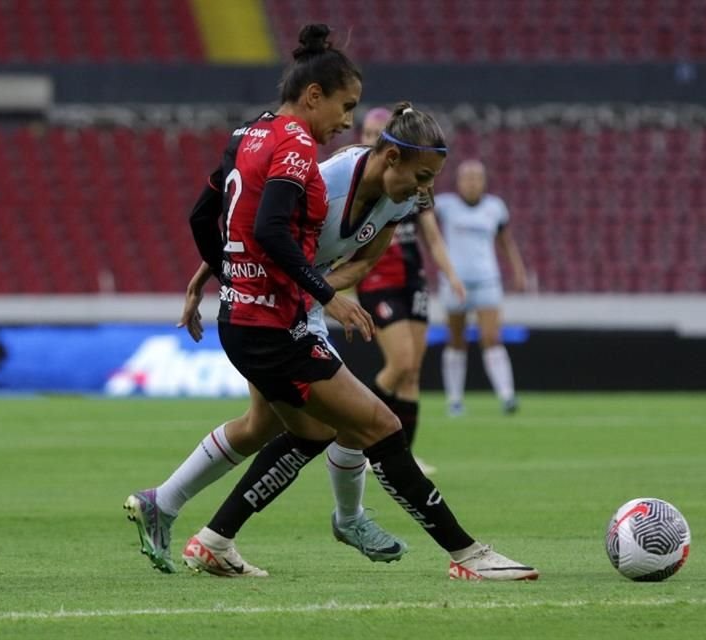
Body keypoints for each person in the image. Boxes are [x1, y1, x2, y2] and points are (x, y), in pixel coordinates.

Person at [126, 24, 537, 582]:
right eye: (420, 177)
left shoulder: (393, 198)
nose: (423, 193)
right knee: (374, 424)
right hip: (276, 311)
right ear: (388, 156)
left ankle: (195, 526)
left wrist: (324, 286)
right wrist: (226, 276)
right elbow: (258, 226)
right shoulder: (322, 172)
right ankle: (458, 551)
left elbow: (363, 257)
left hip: (281, 306)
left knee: (276, 429)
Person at [355, 108, 466, 475]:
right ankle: (359, 441)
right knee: (400, 363)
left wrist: (451, 275)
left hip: (412, 281)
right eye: (367, 132)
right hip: (375, 281)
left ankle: (402, 455)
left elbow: (432, 236)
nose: (371, 137)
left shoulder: (413, 182)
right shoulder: (360, 180)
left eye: (377, 132)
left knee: (413, 372)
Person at [433, 160, 528, 416]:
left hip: (487, 280)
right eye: (467, 177)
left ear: (484, 181)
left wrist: (518, 269)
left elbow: (505, 241)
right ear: (458, 181)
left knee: (492, 337)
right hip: (455, 282)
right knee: (456, 340)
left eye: (477, 177)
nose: (472, 182)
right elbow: (425, 224)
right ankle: (454, 399)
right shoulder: (445, 205)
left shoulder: (495, 207)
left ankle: (507, 396)